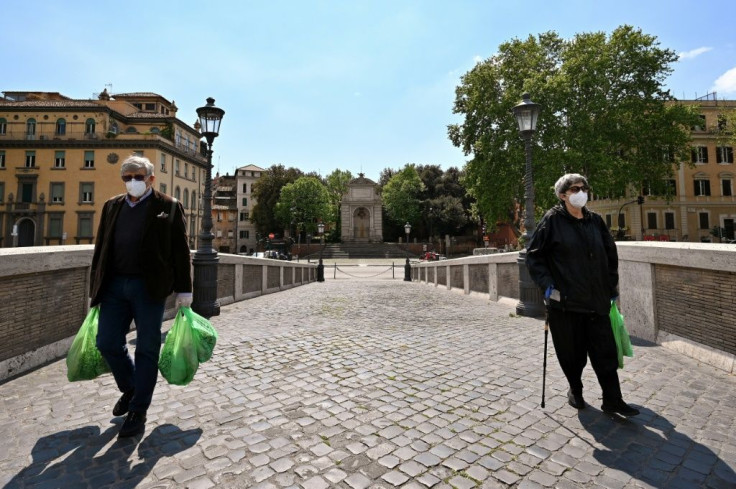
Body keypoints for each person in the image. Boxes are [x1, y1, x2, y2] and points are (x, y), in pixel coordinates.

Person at [90, 155, 193, 438]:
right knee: (107, 342)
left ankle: (139, 409)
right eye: (127, 177)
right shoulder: (112, 206)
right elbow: (101, 249)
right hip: (114, 286)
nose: (132, 182)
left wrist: (185, 290)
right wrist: (94, 289)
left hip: (150, 288)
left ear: (150, 178)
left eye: (138, 176)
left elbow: (180, 251)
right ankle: (132, 387)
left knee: (147, 347)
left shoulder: (169, 206)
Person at [526, 173, 639, 416]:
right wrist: (547, 287)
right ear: (562, 195)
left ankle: (613, 399)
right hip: (566, 303)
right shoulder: (552, 221)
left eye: (584, 188)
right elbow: (534, 256)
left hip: (597, 301)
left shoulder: (595, 221)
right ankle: (575, 390)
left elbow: (611, 256)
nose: (581, 192)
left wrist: (611, 288)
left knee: (605, 353)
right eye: (575, 188)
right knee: (572, 354)